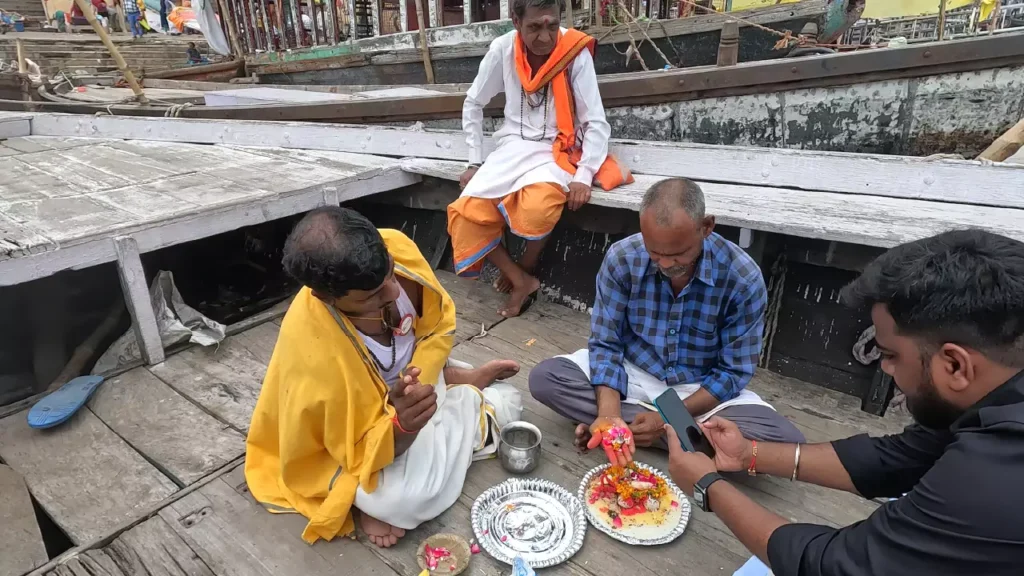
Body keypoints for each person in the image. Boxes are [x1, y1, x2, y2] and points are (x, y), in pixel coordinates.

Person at [664, 228, 1024, 575]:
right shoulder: (994, 393)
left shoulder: (992, 478)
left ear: (955, 365)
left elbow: (833, 565)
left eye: (890, 355)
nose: (885, 368)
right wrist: (749, 453)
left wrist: (708, 486)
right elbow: (901, 457)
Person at [245, 207, 523, 548]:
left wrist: (420, 383)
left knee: (511, 401)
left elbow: (435, 330)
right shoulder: (312, 350)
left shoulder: (396, 249)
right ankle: (462, 398)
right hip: (366, 431)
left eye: (390, 274)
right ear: (327, 298)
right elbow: (348, 447)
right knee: (400, 501)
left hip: (416, 380)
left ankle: (452, 385)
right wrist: (402, 426)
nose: (392, 292)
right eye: (371, 297)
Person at [530, 178, 804, 465]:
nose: (665, 264)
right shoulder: (623, 258)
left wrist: (666, 418)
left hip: (697, 391)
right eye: (654, 252)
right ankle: (671, 437)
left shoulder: (742, 278)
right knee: (546, 379)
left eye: (677, 255)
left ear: (706, 227)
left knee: (784, 443)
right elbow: (606, 343)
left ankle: (634, 433)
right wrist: (609, 413)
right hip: (631, 375)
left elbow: (732, 373)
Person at [446, 0, 632, 318]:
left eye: (552, 25)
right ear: (516, 21)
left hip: (557, 152)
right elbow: (473, 102)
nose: (545, 37)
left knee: (536, 210)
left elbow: (595, 122)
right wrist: (474, 161)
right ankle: (522, 280)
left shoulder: (573, 51)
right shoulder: (503, 49)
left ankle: (526, 265)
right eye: (534, 27)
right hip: (511, 149)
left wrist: (584, 175)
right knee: (464, 214)